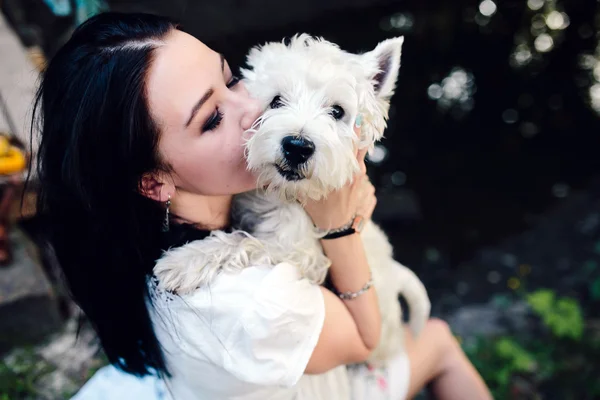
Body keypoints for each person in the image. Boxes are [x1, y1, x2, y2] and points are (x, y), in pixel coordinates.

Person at [32, 12, 492, 400]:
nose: (254, 111)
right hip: (330, 380)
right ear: (154, 181)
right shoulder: (252, 301)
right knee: (438, 339)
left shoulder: (144, 226)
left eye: (232, 79)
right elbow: (365, 341)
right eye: (212, 118)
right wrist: (341, 228)